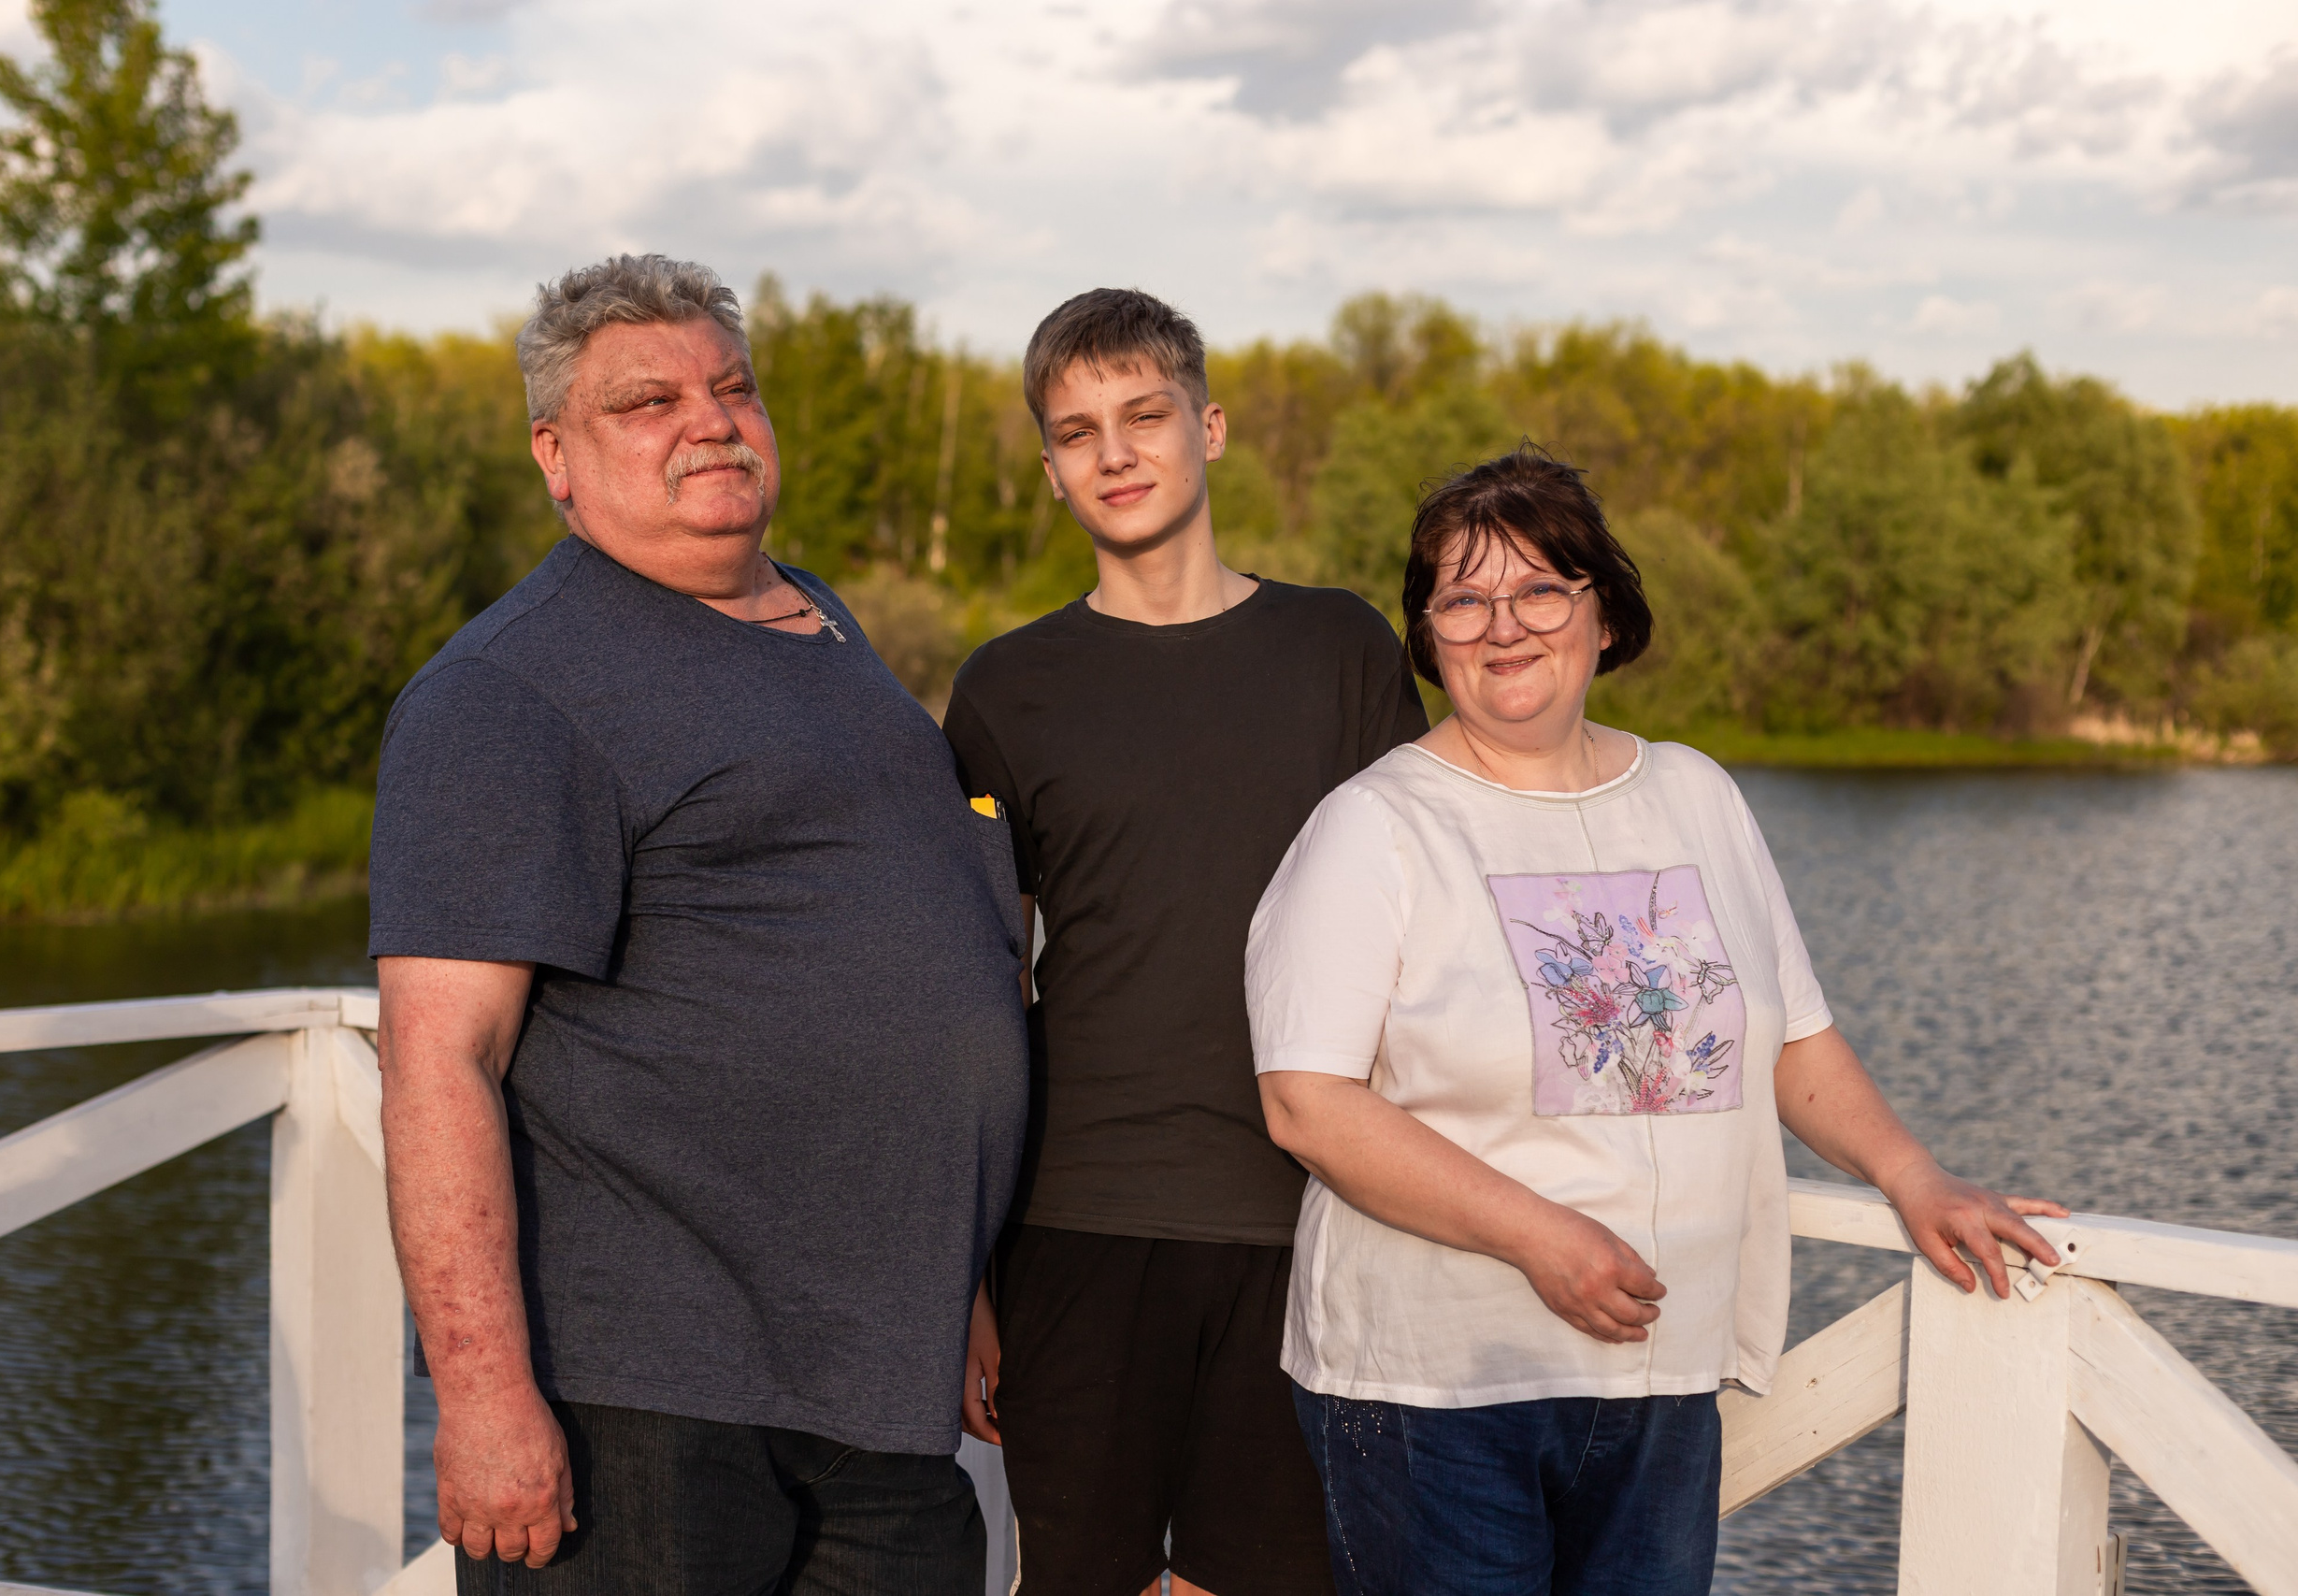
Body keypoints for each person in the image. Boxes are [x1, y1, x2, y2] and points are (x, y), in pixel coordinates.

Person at [1244, 446, 2070, 1596]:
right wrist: (1539, 1234)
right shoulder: (1374, 827)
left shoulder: (1695, 794)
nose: (1502, 625)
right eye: (1463, 598)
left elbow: (1792, 1037)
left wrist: (1914, 1176)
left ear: (1605, 615)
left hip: (1658, 1378)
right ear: (1428, 637)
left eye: (1538, 588)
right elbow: (1306, 1103)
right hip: (1435, 1388)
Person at [370, 253, 1027, 1595]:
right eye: (647, 401)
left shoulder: (819, 622)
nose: (711, 420)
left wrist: (954, 1270)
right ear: (557, 454)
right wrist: (484, 1398)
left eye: (732, 387)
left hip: (873, 1390)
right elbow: (440, 1059)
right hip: (650, 1406)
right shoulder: (512, 690)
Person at [942, 288, 1428, 1596]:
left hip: (1310, 1220)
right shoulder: (1006, 686)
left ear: (1207, 427)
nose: (1115, 451)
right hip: (1074, 1222)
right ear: (1049, 468)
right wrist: (970, 1270)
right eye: (1077, 429)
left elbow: (1436, 934)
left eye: (1144, 414)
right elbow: (982, 983)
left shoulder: (1341, 648)